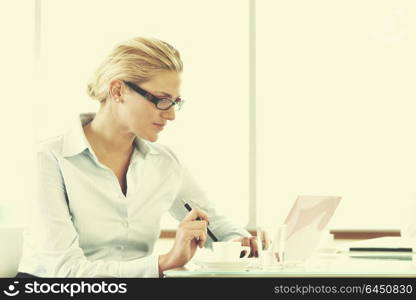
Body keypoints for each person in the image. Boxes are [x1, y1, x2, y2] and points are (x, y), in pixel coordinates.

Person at [17, 37, 257, 278]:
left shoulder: (164, 163)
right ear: (118, 90)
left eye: (175, 102)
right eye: (162, 100)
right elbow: (63, 271)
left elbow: (217, 227)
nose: (171, 114)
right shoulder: (50, 159)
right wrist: (164, 262)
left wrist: (240, 242)